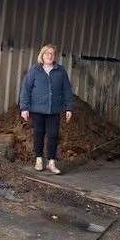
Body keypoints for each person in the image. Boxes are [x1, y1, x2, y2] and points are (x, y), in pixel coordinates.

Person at [19, 44, 73, 174]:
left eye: (52, 54)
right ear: (42, 55)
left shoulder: (60, 71)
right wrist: (24, 108)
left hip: (54, 110)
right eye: (47, 53)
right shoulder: (35, 70)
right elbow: (26, 89)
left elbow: (67, 90)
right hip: (37, 109)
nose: (49, 56)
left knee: (53, 135)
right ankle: (38, 159)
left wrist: (69, 108)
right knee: (38, 134)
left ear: (54, 56)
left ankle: (51, 162)